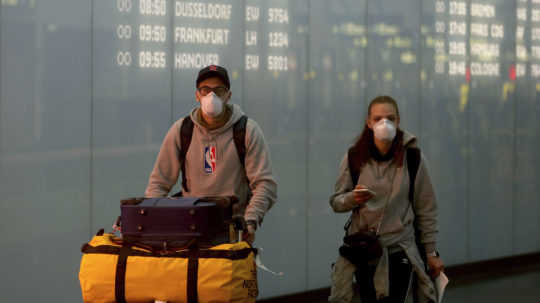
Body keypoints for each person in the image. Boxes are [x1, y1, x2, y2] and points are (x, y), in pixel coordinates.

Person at [328, 96, 444, 303]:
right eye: (378, 118)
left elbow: (426, 208)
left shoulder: (413, 158)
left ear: (398, 121)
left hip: (400, 249)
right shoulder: (354, 157)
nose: (384, 123)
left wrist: (431, 251)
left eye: (390, 118)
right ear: (369, 122)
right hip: (364, 251)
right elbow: (336, 201)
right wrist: (353, 198)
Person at [144, 65, 277, 244]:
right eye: (205, 90)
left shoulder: (246, 131)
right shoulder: (182, 131)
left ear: (228, 96)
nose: (211, 96)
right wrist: (154, 222)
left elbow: (265, 185)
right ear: (197, 95)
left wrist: (249, 221)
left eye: (218, 90)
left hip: (232, 234)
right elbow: (158, 184)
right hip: (188, 232)